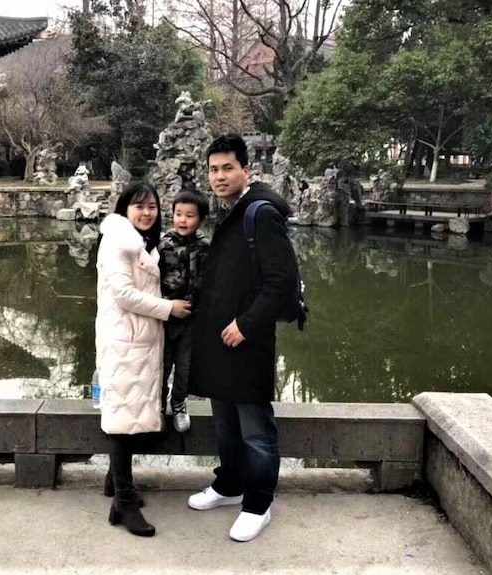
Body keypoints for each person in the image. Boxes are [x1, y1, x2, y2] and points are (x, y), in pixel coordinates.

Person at [186, 134, 299, 542]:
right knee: (226, 425)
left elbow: (281, 282)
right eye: (213, 169)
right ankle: (229, 485)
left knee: (254, 428)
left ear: (245, 170)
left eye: (227, 168)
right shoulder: (232, 210)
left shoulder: (260, 212)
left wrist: (247, 325)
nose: (218, 176)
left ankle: (258, 503)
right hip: (220, 339)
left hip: (247, 339)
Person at [95, 181, 192, 537]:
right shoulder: (119, 241)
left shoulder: (144, 242)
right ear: (125, 209)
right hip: (124, 343)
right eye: (139, 206)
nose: (146, 212)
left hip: (139, 342)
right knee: (123, 424)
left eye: (152, 206)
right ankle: (124, 503)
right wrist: (169, 308)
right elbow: (123, 294)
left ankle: (117, 485)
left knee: (130, 414)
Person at [158, 189, 210, 432]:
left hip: (193, 319)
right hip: (165, 317)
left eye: (189, 215)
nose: (183, 220)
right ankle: (158, 402)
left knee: (186, 366)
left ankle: (178, 402)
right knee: (161, 364)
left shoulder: (206, 246)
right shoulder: (161, 245)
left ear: (200, 219)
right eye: (178, 214)